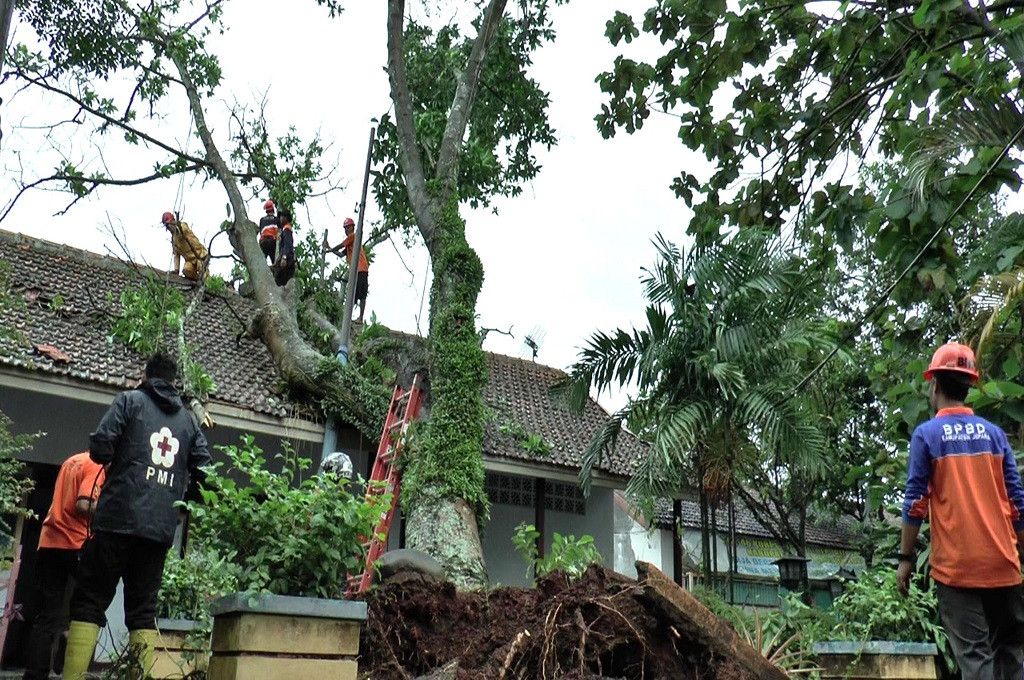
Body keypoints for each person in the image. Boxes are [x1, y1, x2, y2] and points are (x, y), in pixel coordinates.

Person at [61, 352, 212, 680]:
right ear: (174, 382)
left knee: (89, 600)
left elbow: (101, 446)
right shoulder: (188, 421)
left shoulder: (129, 401)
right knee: (143, 613)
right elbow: (205, 471)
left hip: (116, 521)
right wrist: (184, 503)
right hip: (157, 532)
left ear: (146, 375)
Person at [898, 341, 1024, 680]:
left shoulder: (927, 435)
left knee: (975, 659)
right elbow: (1018, 504)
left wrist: (906, 558)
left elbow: (915, 502)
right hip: (1004, 565)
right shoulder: (996, 436)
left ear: (935, 385)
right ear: (968, 386)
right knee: (1011, 655)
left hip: (958, 570)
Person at [21, 452, 105, 680]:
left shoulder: (71, 461)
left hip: (48, 542)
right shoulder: (96, 465)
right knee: (88, 605)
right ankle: (71, 657)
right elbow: (84, 504)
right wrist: (111, 510)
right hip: (76, 543)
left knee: (45, 616)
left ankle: (35, 675)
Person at [325, 217, 369, 324]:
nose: (346, 230)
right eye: (345, 228)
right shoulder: (351, 241)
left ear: (352, 227)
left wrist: (328, 250)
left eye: (347, 228)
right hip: (356, 270)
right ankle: (348, 316)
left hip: (361, 268)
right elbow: (341, 254)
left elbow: (340, 246)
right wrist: (330, 249)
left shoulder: (353, 236)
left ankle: (360, 318)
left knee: (361, 294)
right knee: (353, 294)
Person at [161, 212, 208, 282]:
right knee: (187, 270)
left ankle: (208, 283)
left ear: (173, 221)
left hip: (200, 254)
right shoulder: (174, 240)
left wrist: (178, 228)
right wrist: (176, 270)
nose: (169, 227)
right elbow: (176, 255)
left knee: (201, 267)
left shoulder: (182, 226)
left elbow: (184, 230)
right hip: (190, 260)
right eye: (167, 226)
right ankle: (199, 281)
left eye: (169, 224)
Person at [274, 208, 296, 287]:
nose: (281, 218)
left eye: (282, 216)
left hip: (287, 261)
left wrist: (284, 258)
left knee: (278, 282)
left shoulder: (287, 229)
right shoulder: (285, 229)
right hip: (288, 260)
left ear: (286, 218)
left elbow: (287, 245)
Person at [258, 199, 279, 266]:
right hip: (272, 242)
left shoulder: (262, 220)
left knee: (262, 262)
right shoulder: (276, 219)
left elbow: (261, 231)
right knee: (275, 262)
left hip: (263, 242)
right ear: (273, 209)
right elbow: (280, 232)